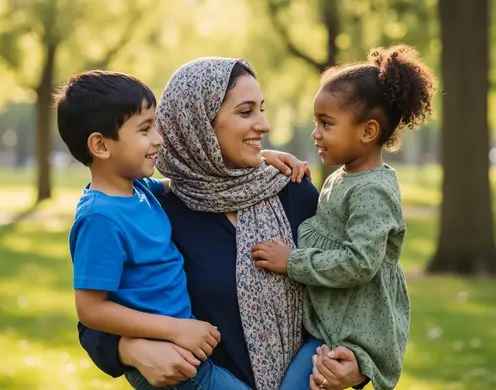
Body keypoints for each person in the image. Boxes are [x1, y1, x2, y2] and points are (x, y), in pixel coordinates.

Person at [77, 58, 368, 390]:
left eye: (262, 109)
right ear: (196, 124)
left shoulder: (293, 190)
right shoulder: (159, 211)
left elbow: (357, 286)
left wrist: (358, 367)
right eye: (246, 112)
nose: (264, 125)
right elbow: (94, 319)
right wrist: (130, 350)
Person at [252, 45, 437, 390]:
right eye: (315, 122)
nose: (315, 133)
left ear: (367, 132)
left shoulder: (373, 190)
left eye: (326, 123)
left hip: (352, 335)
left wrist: (292, 262)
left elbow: (359, 263)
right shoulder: (342, 178)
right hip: (330, 323)